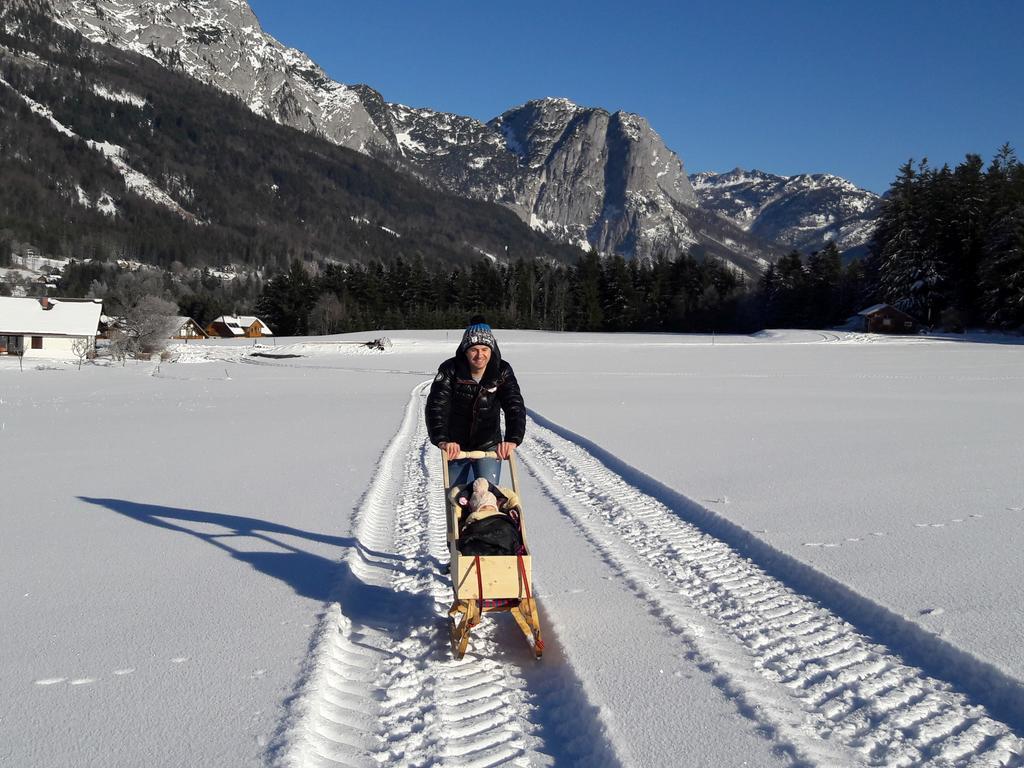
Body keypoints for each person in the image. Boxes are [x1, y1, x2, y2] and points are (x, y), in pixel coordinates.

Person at [426, 317, 526, 486]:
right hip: (455, 445)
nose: (480, 355)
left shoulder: (502, 371)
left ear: (491, 350)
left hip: (488, 443)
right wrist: (442, 439)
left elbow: (514, 404)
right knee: (457, 498)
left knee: (488, 493)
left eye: (485, 349)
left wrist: (512, 438)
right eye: (474, 349)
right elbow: (437, 405)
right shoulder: (450, 370)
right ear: (465, 350)